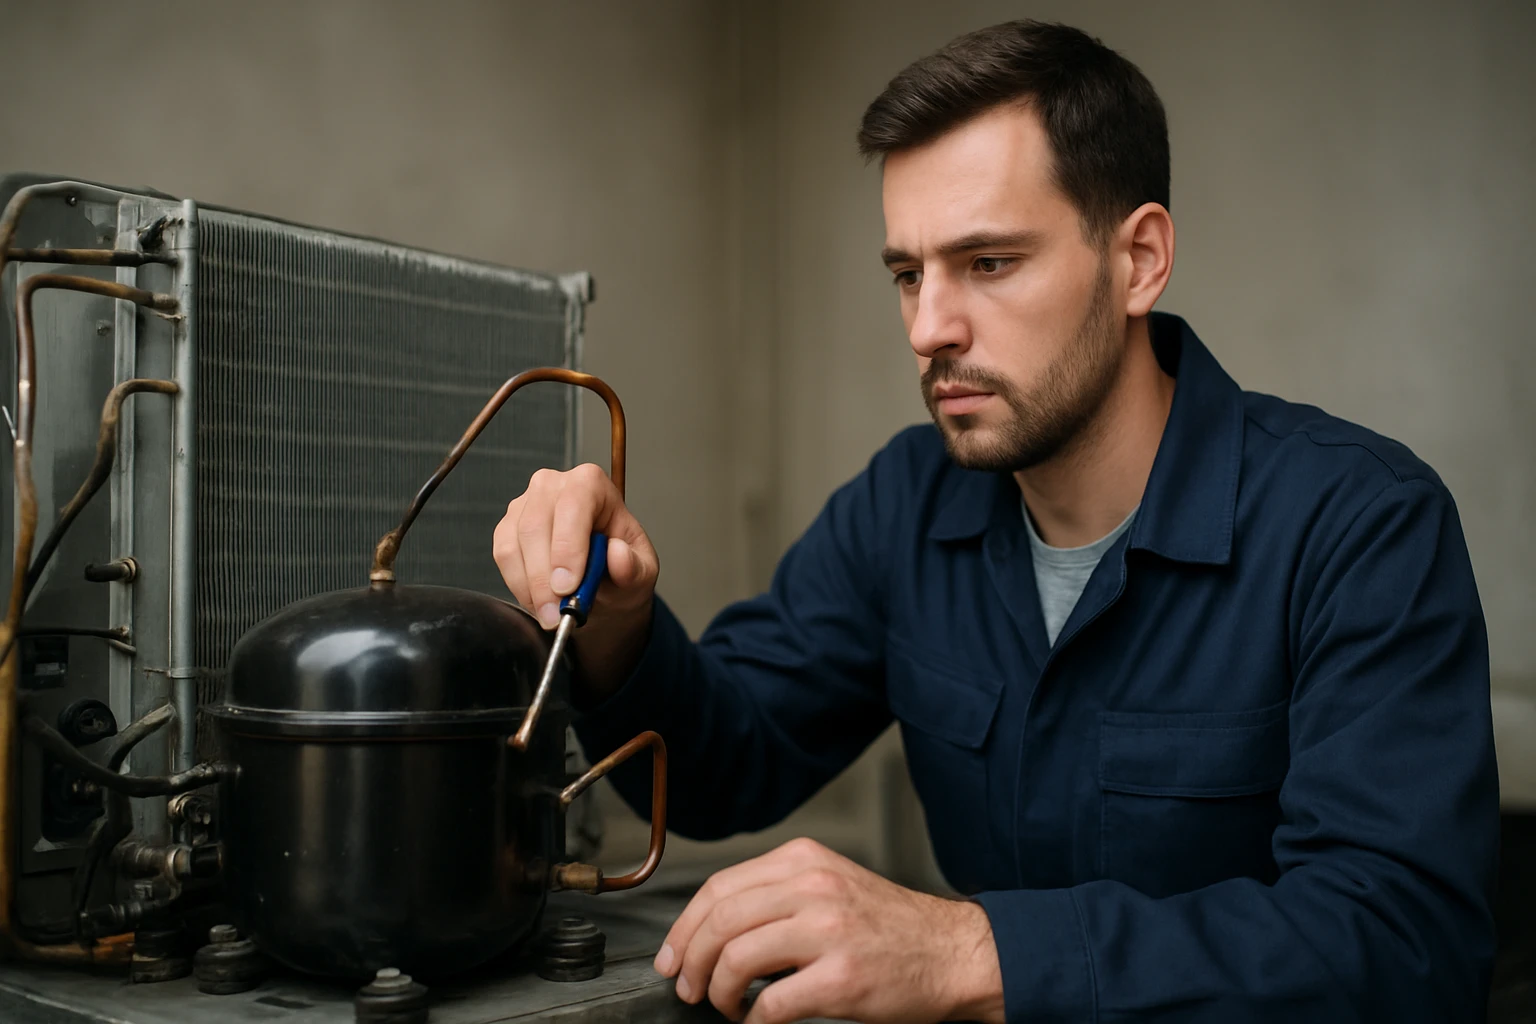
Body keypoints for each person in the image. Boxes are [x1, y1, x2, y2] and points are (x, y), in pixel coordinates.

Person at [493, 20, 1498, 1024]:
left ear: (1139, 259)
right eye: (908, 273)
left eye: (989, 262)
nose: (930, 327)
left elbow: (1401, 947)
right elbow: (723, 764)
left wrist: (966, 952)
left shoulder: (1360, 526)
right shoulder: (906, 502)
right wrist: (616, 614)